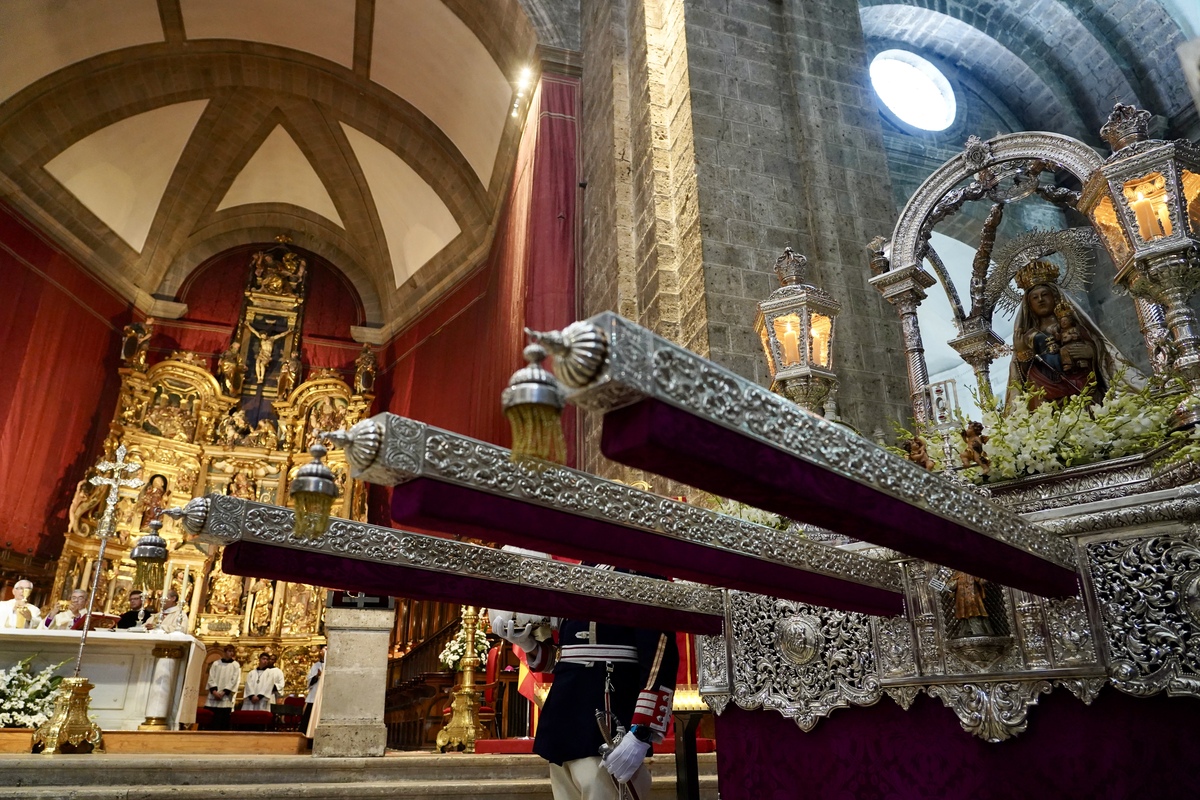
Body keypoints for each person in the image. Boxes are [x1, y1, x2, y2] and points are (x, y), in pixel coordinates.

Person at [490, 581, 679, 800]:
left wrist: (642, 732)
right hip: (563, 714)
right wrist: (529, 647)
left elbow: (660, 657)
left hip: (603, 717)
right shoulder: (579, 571)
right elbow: (566, 657)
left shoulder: (638, 571)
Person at [1005, 260, 1136, 411]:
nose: (1040, 300)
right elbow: (1021, 377)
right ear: (1029, 305)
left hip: (1082, 387)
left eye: (1044, 295)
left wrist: (1091, 351)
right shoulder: (1028, 336)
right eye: (1035, 298)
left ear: (1055, 297)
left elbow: (1100, 349)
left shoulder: (1075, 326)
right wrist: (1022, 353)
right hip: (1046, 397)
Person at [205, 644, 241, 730]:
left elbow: (234, 680)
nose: (231, 653)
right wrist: (214, 692)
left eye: (232, 651)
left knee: (223, 722)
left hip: (225, 697)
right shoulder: (216, 663)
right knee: (210, 722)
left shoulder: (235, 665)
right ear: (224, 652)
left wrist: (223, 692)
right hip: (214, 696)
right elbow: (211, 677)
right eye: (229, 651)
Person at [301, 644, 326, 732]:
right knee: (309, 720)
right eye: (323, 650)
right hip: (314, 696)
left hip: (325, 697)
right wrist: (316, 677)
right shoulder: (316, 665)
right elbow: (309, 681)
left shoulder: (332, 666)